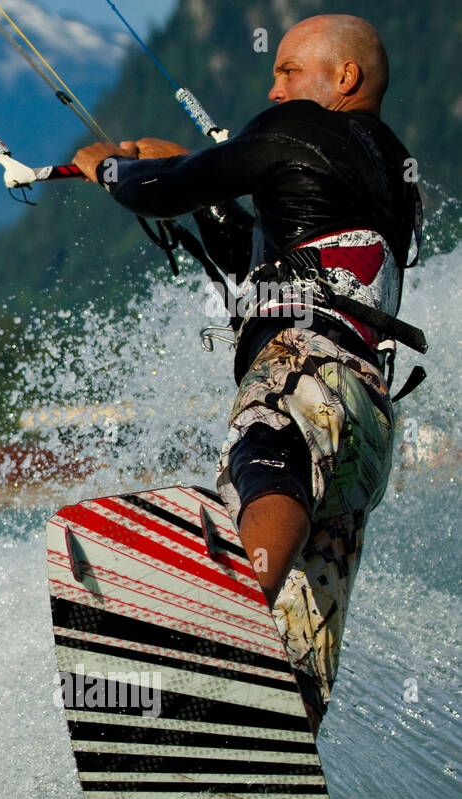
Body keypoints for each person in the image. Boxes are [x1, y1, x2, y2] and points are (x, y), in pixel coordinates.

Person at [70, 14, 424, 734]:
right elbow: (268, 263)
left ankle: (221, 630)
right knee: (303, 625)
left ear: (344, 77)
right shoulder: (391, 173)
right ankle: (269, 773)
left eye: (289, 70)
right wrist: (205, 186)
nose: (275, 86)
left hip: (305, 372)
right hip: (365, 415)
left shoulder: (298, 127)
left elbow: (164, 191)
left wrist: (111, 168)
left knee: (268, 452)